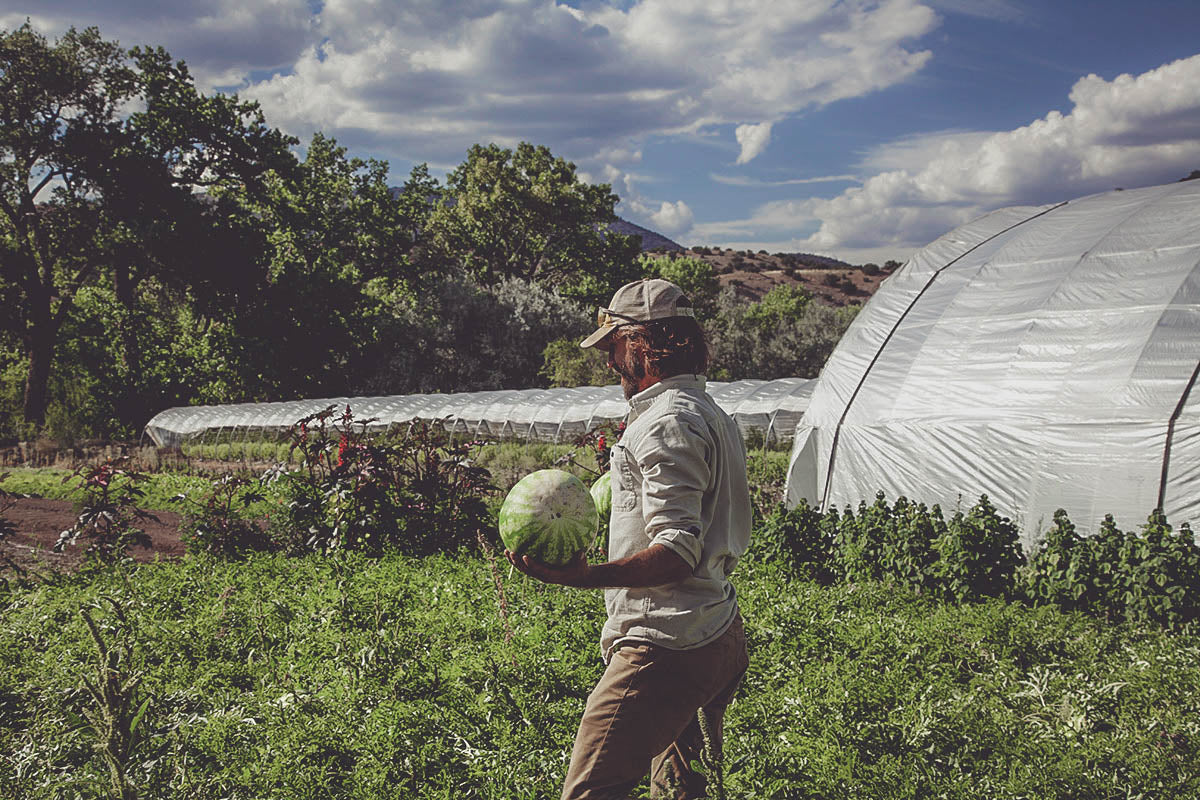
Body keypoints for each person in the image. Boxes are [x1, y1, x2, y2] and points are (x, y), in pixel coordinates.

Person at [506, 278, 752, 799]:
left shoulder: (666, 423)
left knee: (591, 790)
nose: (610, 362)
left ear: (642, 342)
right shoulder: (709, 414)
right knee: (679, 789)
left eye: (614, 346)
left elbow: (678, 551)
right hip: (715, 626)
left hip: (666, 644)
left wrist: (584, 577)